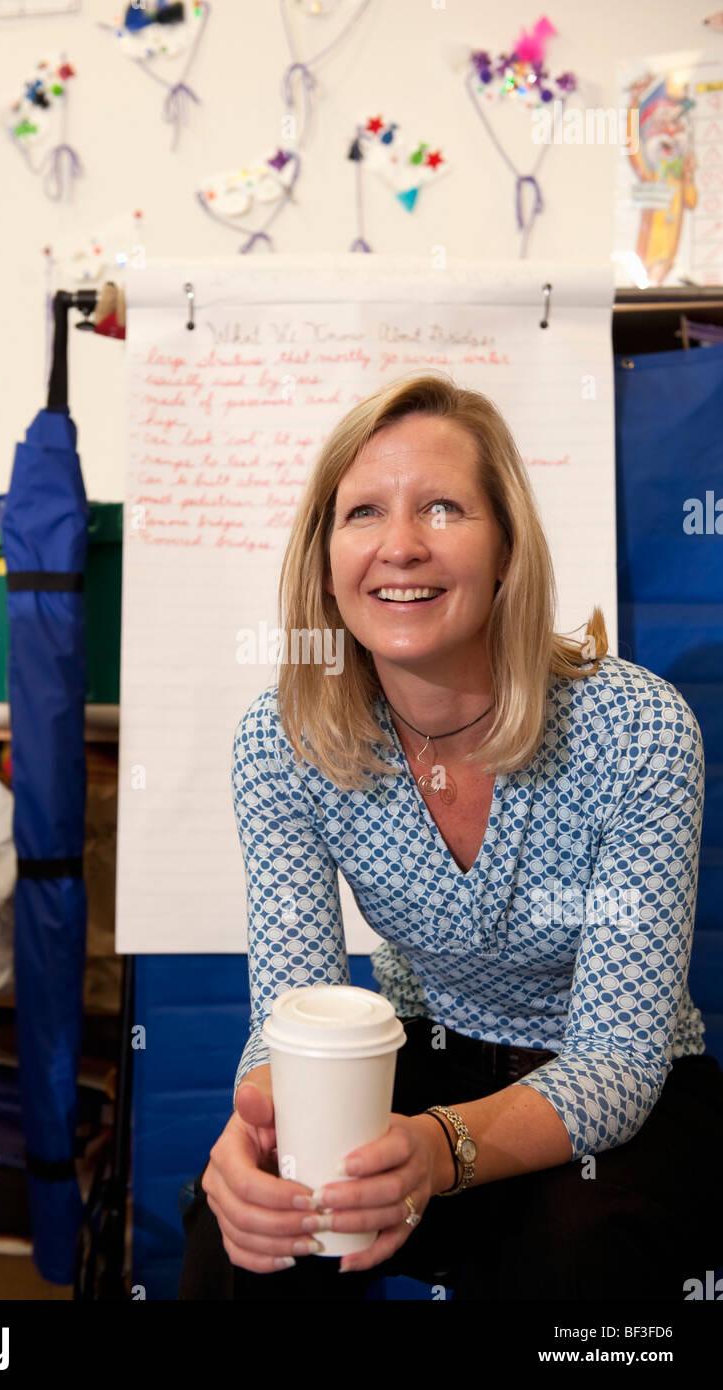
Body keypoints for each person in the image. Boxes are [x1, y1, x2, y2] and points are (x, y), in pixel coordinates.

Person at [177, 373, 723, 1301]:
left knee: (577, 1254)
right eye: (362, 514)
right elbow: (295, 1017)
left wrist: (436, 1149)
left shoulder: (638, 729)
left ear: (507, 548)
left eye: (442, 506)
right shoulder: (281, 743)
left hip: (623, 1093)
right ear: (323, 557)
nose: (400, 546)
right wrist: (258, 1129)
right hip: (428, 1054)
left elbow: (619, 1062)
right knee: (247, 1242)